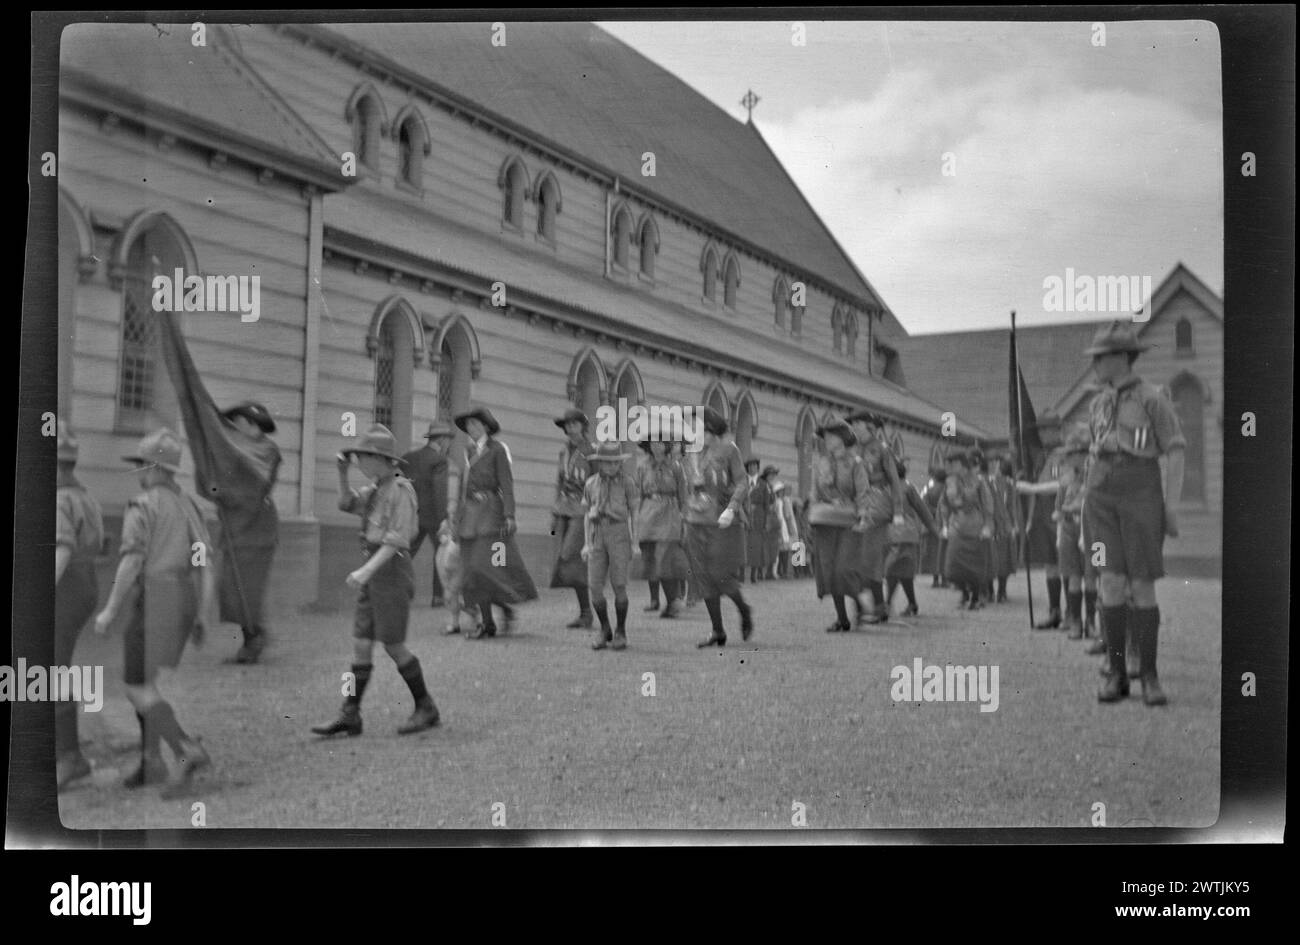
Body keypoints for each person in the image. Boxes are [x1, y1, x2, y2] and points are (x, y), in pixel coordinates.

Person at [92, 429, 215, 798]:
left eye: (142, 466)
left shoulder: (143, 505)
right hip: (183, 597)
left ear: (155, 468)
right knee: (145, 680)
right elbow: (204, 563)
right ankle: (152, 763)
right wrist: (202, 613)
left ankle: (184, 750)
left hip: (157, 596)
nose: (139, 473)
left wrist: (110, 610)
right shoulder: (189, 505)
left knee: (134, 685)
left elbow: (132, 560)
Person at [313, 424, 439, 738]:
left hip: (391, 573)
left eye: (362, 458)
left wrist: (365, 572)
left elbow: (397, 540)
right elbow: (346, 504)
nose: (358, 463)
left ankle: (426, 706)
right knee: (361, 644)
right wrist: (341, 474)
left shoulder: (400, 490)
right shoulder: (375, 489)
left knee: (394, 646)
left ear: (382, 459)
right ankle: (350, 713)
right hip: (373, 571)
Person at [1083, 322, 1185, 706]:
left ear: (1122, 357)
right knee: (1109, 581)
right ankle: (1116, 673)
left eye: (1101, 357)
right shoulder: (1097, 404)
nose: (1094, 364)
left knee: (1141, 585)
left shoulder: (1152, 398)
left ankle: (1150, 676)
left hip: (1142, 497)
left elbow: (1175, 449)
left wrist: (1171, 507)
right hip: (1100, 500)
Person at [449, 406, 538, 638]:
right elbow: (461, 488)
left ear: (486, 427)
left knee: (484, 568)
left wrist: (510, 515)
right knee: (472, 572)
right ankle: (488, 623)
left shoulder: (498, 450)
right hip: (469, 518)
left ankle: (504, 609)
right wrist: (455, 519)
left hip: (490, 516)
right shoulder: (468, 452)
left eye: (476, 424)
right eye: (468, 425)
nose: (471, 428)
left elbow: (506, 484)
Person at [55, 423, 105, 789]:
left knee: (50, 668)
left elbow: (63, 548)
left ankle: (69, 757)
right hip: (85, 584)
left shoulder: (58, 500)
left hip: (65, 585)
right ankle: (64, 750)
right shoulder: (85, 496)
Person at [215, 401, 281, 664]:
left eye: (237, 422)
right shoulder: (236, 449)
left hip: (257, 527)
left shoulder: (267, 450)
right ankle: (255, 633)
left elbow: (256, 483)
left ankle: (253, 639)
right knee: (230, 584)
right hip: (236, 523)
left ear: (252, 424)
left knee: (247, 586)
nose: (233, 426)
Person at [684, 408, 754, 647]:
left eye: (697, 427)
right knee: (703, 576)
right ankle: (717, 630)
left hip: (722, 520)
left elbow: (742, 482)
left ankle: (744, 610)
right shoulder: (691, 452)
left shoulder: (729, 451)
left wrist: (732, 508)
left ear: (711, 431)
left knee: (719, 574)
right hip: (696, 520)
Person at [806, 419, 872, 632]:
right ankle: (842, 619)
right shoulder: (821, 463)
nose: (827, 440)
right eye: (825, 437)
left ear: (842, 438)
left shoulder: (856, 463)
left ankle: (859, 604)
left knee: (843, 569)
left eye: (831, 436)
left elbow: (863, 493)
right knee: (829, 570)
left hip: (848, 522)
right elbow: (814, 493)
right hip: (824, 522)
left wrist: (863, 516)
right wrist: (811, 516)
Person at [846, 411, 906, 623]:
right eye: (853, 424)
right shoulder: (852, 449)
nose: (854, 427)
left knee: (870, 560)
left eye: (857, 423)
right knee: (853, 560)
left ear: (870, 426)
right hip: (856, 509)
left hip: (877, 510)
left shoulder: (882, 450)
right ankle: (866, 607)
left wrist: (898, 511)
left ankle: (876, 609)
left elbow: (895, 481)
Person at [581, 442, 641, 649]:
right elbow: (587, 516)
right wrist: (586, 544)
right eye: (607, 463)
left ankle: (621, 631)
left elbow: (634, 513)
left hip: (619, 533)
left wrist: (635, 542)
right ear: (599, 463)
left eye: (615, 463)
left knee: (619, 585)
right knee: (594, 586)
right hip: (598, 534)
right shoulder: (590, 484)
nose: (611, 467)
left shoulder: (627, 483)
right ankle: (604, 628)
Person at [401, 420, 456, 616]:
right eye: (448, 440)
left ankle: (398, 592)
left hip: (412, 515)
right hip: (433, 517)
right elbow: (439, 492)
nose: (448, 444)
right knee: (441, 555)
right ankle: (438, 597)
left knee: (403, 553)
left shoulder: (408, 457)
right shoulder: (440, 460)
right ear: (442, 440)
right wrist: (443, 519)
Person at [550, 408, 596, 629]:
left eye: (574, 424)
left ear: (582, 426)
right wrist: (554, 510)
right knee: (565, 558)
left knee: (570, 555)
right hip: (563, 509)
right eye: (566, 425)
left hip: (583, 510)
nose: (570, 428)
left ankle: (589, 610)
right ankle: (585, 612)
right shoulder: (563, 452)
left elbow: (599, 483)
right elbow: (559, 482)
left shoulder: (592, 451)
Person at [635, 436, 689, 618]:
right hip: (648, 515)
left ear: (666, 445)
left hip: (669, 514)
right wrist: (638, 517)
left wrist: (684, 517)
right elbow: (639, 494)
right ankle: (665, 601)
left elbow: (683, 494)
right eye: (653, 442)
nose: (656, 446)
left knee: (664, 559)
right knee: (651, 560)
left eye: (660, 442)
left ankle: (673, 601)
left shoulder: (675, 466)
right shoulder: (642, 466)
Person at [885, 456, 942, 617]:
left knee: (893, 569)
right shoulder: (894, 487)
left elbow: (922, 510)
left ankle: (888, 604)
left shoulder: (906, 488)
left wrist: (934, 530)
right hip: (897, 535)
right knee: (903, 572)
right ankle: (911, 604)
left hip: (903, 534)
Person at [939, 449, 995, 609]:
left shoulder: (978, 482)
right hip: (956, 526)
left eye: (952, 464)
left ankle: (975, 597)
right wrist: (944, 524)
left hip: (975, 527)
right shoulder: (949, 482)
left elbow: (988, 505)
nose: (949, 467)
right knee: (952, 568)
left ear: (962, 465)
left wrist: (987, 526)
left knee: (974, 567)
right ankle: (964, 592)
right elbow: (943, 503)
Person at [987, 455, 1020, 603]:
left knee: (1003, 560)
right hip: (994, 524)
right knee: (992, 559)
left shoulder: (1009, 486)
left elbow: (1013, 507)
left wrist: (1013, 525)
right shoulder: (989, 483)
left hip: (1003, 526)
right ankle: (992, 591)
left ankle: (1000, 590)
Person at [742, 456, 771, 583]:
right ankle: (741, 574)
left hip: (758, 517)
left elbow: (767, 504)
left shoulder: (763, 485)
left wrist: (766, 522)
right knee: (743, 545)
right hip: (743, 516)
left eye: (754, 466)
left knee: (756, 546)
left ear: (758, 468)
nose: (752, 468)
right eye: (749, 466)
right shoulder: (742, 482)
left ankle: (754, 574)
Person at [921, 467, 948, 588]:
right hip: (945, 525)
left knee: (933, 553)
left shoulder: (929, 490)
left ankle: (935, 579)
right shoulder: (947, 490)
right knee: (944, 552)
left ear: (934, 478)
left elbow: (924, 507)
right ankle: (945, 579)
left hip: (931, 526)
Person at [759, 466, 783, 579]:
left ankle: (770, 571)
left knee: (773, 547)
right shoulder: (763, 486)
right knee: (764, 546)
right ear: (766, 476)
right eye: (770, 474)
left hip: (773, 519)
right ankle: (762, 572)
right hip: (765, 518)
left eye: (774, 474)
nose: (772, 476)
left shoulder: (772, 488)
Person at [773, 481, 799, 578]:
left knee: (790, 549)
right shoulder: (785, 500)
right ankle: (787, 571)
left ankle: (788, 571)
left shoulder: (785, 500)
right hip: (788, 526)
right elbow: (787, 515)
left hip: (788, 526)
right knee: (788, 549)